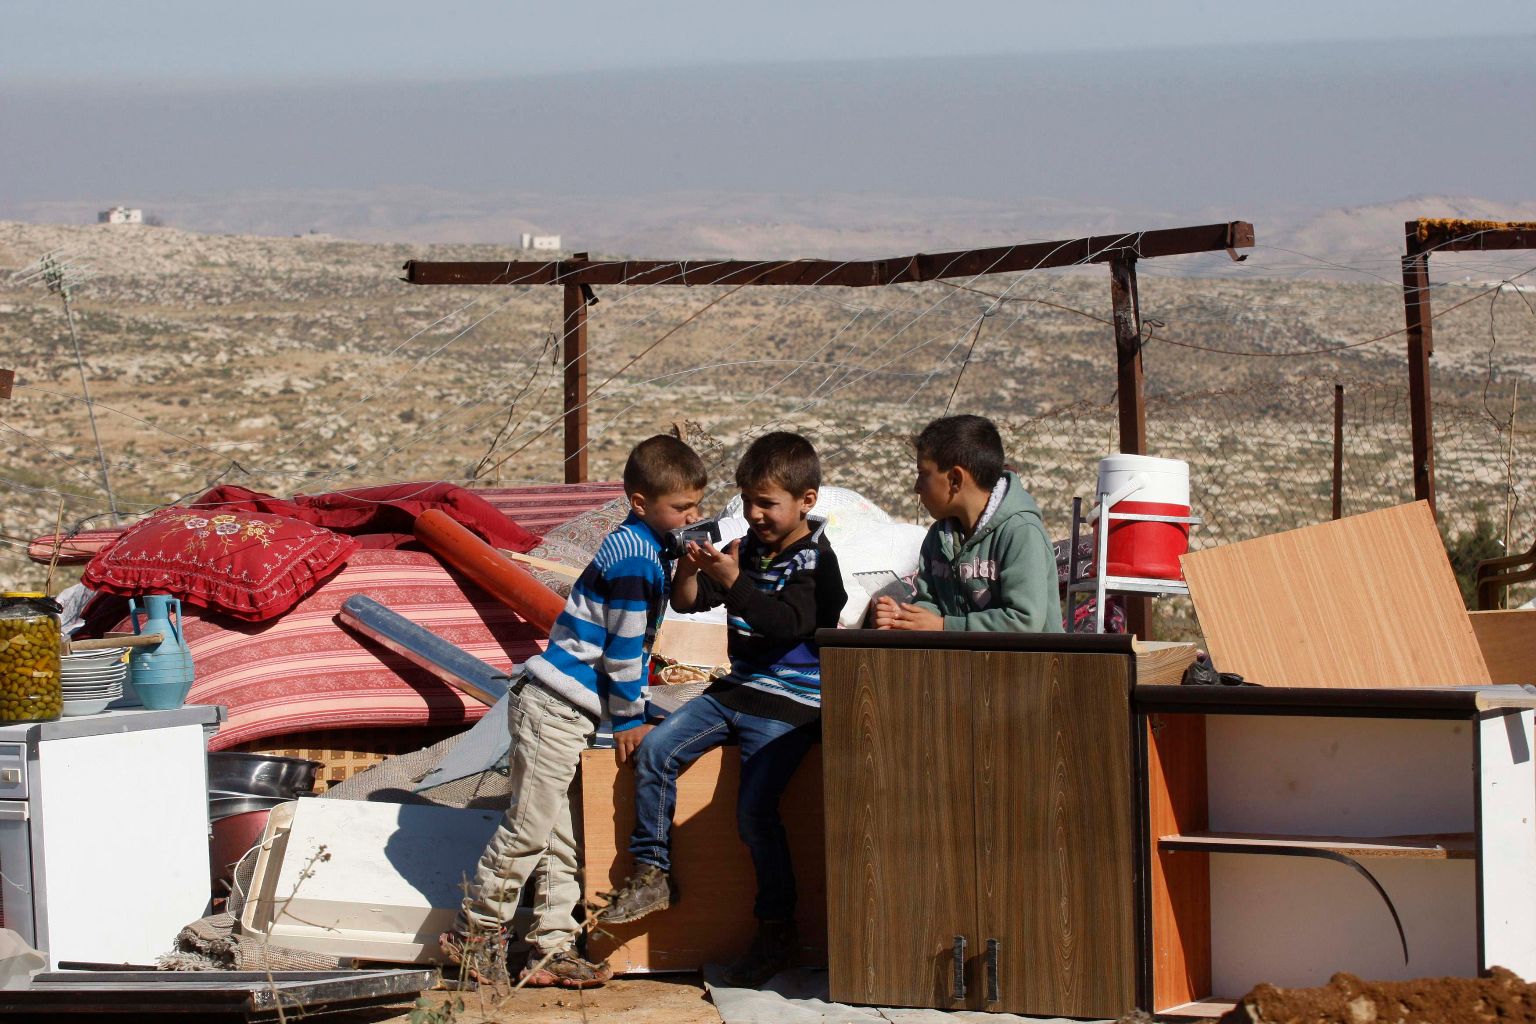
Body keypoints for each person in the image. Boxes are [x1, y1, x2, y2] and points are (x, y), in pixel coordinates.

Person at [438, 434, 707, 988]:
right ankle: (476, 934)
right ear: (640, 502)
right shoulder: (636, 560)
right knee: (529, 828)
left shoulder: (645, 546)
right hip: (556, 706)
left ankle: (550, 948)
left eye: (696, 506)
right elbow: (626, 648)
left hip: (571, 710)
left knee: (561, 839)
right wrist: (631, 719)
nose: (692, 517)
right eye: (682, 508)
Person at [598, 431, 846, 988]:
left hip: (792, 703)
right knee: (656, 752)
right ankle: (653, 871)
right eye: (748, 501)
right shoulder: (751, 549)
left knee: (754, 815)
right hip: (737, 690)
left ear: (806, 500)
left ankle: (776, 929)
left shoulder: (816, 562)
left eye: (768, 503)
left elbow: (787, 623)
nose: (755, 515)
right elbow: (691, 603)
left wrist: (733, 581)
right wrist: (692, 570)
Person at [874, 414, 1062, 633]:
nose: (917, 487)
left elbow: (1024, 621)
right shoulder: (938, 537)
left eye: (923, 474)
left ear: (955, 479)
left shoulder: (1020, 532)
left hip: (1028, 665)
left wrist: (944, 626)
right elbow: (930, 601)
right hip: (967, 664)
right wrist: (903, 617)